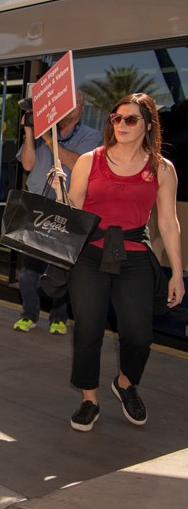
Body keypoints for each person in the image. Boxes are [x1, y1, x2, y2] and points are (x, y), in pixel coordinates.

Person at [65, 93, 183, 432]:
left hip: (133, 255)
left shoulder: (161, 167)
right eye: (116, 118)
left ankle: (126, 383)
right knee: (88, 330)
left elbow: (168, 223)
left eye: (130, 119)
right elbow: (73, 211)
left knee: (138, 335)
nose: (121, 125)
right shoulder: (90, 160)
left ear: (148, 125)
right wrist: (61, 190)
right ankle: (89, 400)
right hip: (89, 254)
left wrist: (176, 272)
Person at [13, 91, 101, 334]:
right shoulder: (41, 134)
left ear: (82, 108)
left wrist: (50, 139)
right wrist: (31, 132)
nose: (70, 107)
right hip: (38, 207)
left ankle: (59, 318)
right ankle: (29, 315)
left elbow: (76, 163)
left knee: (60, 268)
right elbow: (28, 164)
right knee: (29, 269)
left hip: (67, 207)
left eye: (75, 103)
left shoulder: (91, 136)